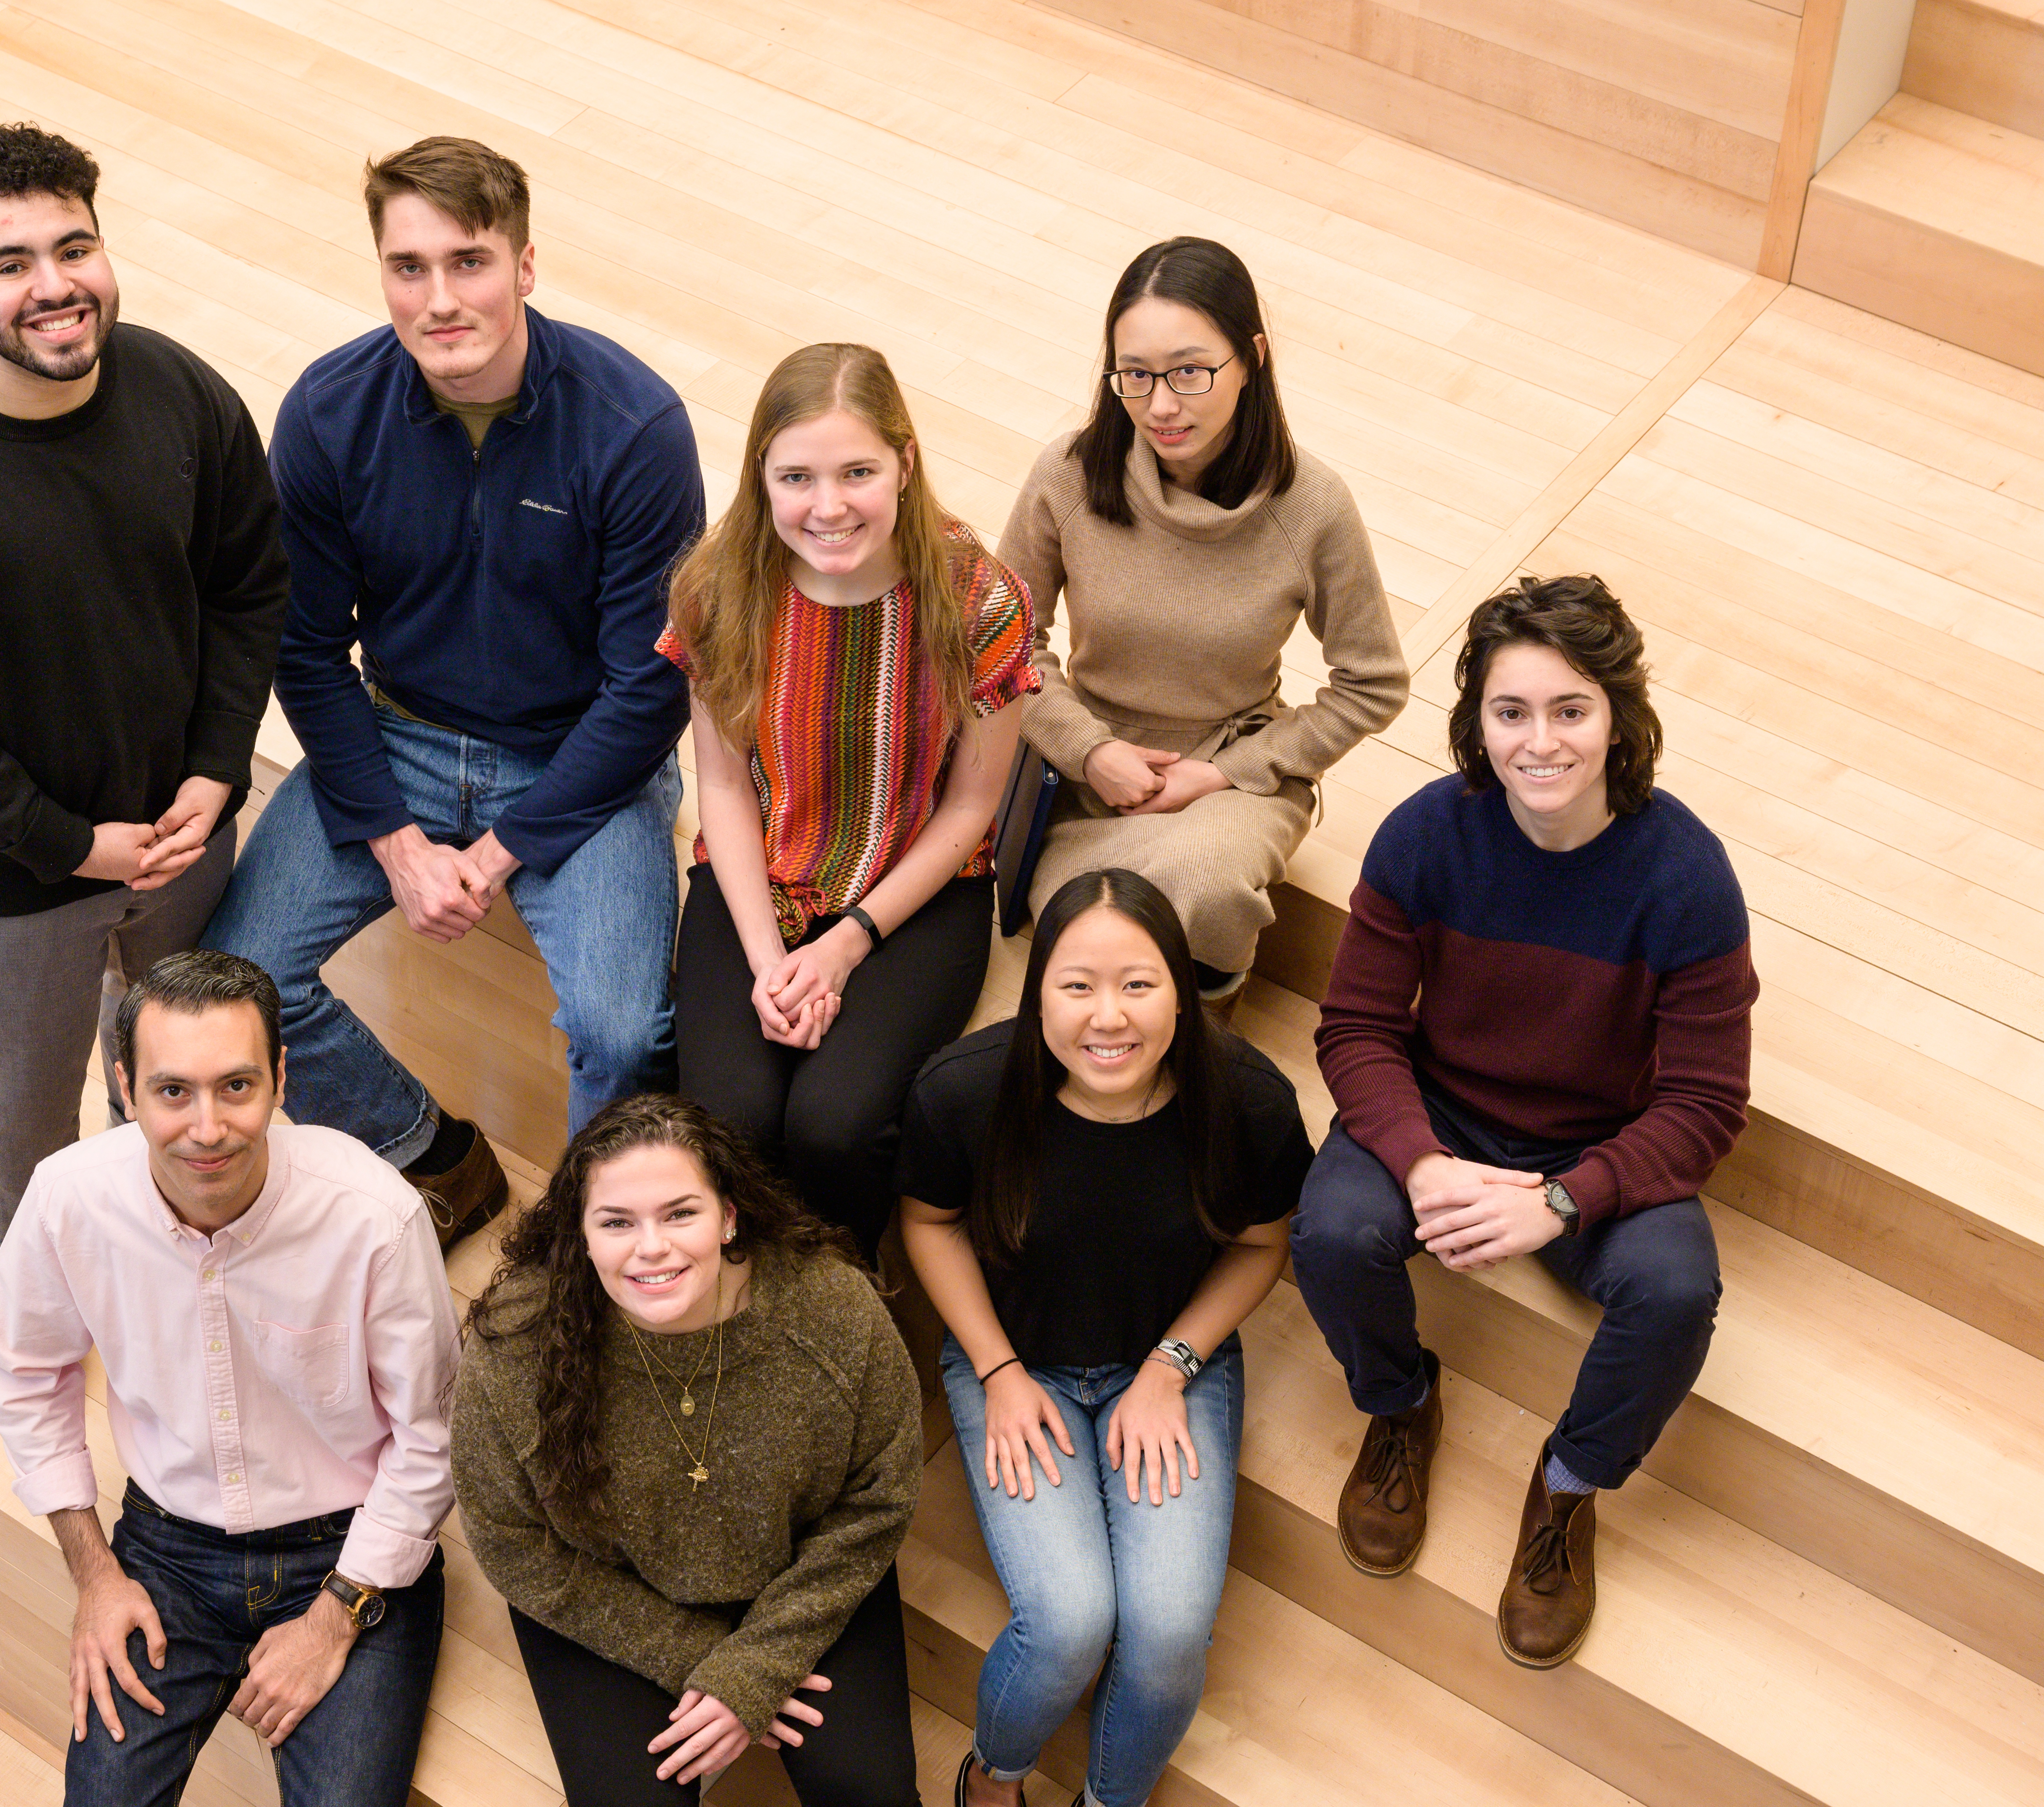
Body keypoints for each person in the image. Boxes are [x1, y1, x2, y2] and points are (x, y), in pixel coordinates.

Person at [205, 136, 703, 1244]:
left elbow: (649, 686)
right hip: (403, 736)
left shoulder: (634, 428)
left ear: (526, 266)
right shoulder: (330, 414)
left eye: (469, 262)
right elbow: (303, 650)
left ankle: (586, 1249)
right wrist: (393, 836)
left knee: (625, 1033)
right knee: (229, 988)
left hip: (585, 757)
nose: (440, 300)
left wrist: (498, 849)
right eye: (409, 267)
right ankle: (433, 1155)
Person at [0, 124, 287, 1247]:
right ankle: (43, 1277)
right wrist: (79, 846)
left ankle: (189, 1234)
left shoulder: (181, 393)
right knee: (29, 1105)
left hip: (183, 834)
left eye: (74, 248)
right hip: (13, 879)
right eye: (10, 263)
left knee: (193, 1067)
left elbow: (248, 588)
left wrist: (218, 770)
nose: (54, 286)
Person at [1294, 574, 1756, 1670]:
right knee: (1329, 1230)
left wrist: (1564, 1199)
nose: (1539, 741)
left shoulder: (1688, 879)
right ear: (1476, 721)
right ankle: (1402, 1405)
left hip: (1598, 1143)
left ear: (1619, 718)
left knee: (1679, 1289)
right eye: (1512, 712)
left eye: (1570, 710)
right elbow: (1356, 1027)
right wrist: (1419, 1164)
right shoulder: (1424, 838)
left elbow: (1704, 1102)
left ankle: (1570, 1484)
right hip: (1443, 1112)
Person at [0, 950, 459, 1807]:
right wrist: (95, 1574)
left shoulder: (375, 1217)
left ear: (280, 1076)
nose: (207, 1127)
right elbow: (22, 1373)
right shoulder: (67, 1199)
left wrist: (334, 1615)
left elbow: (435, 1436)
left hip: (347, 1553)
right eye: (173, 1092)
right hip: (169, 1550)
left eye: (236, 1087)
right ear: (127, 1089)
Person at [897, 869, 1307, 1807]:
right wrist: (998, 1369)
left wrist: (1173, 1365)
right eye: (1077, 985)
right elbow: (929, 1221)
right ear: (1037, 987)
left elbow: (1262, 1242)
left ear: (1181, 989)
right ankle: (992, 1777)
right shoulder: (963, 1091)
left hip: (1172, 1355)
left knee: (1166, 1630)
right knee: (1071, 1620)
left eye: (1140, 982)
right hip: (1014, 1352)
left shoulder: (1246, 1097)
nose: (1109, 1017)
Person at [661, 343, 1035, 1261]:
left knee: (835, 1123)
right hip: (763, 877)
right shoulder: (718, 590)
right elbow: (720, 785)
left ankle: (846, 1284)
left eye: (858, 471)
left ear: (905, 464)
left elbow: (970, 808)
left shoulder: (980, 598)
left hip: (915, 892)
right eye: (798, 477)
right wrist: (767, 963)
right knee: (729, 1118)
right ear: (762, 476)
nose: (828, 506)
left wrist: (842, 946)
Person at [453, 1095, 923, 1807]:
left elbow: (880, 1494)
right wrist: (710, 1664)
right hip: (611, 1597)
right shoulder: (519, 1342)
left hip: (799, 1578)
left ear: (729, 1215)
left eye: (681, 1213)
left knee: (869, 1793)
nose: (652, 1247)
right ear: (581, 1234)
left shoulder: (831, 1308)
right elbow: (510, 1540)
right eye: (616, 1222)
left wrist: (763, 1660)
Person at [999, 238, 1407, 1001]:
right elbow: (998, 639)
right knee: (1098, 933)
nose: (1160, 405)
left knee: (1207, 888)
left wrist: (1220, 774)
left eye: (1190, 371)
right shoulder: (1069, 474)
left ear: (1251, 357)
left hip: (1233, 773)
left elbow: (1373, 684)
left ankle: (1204, 1045)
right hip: (1089, 771)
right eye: (1136, 375)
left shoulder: (1312, 505)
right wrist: (1089, 750)